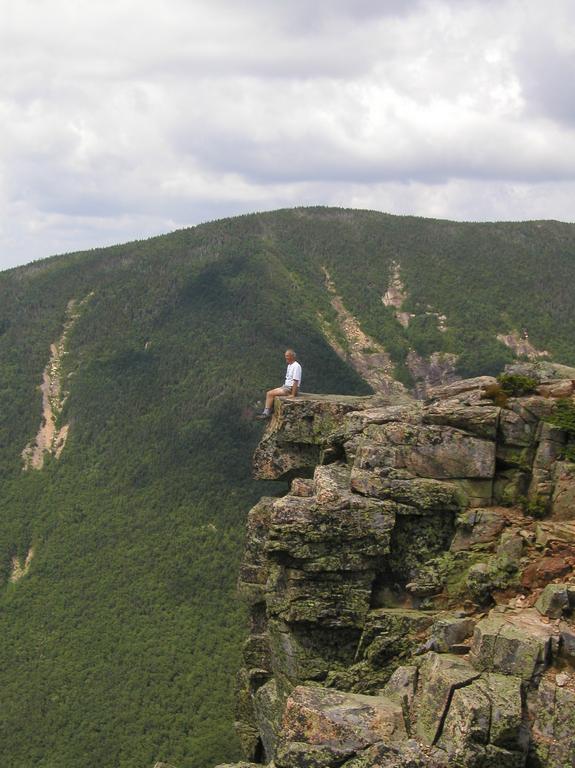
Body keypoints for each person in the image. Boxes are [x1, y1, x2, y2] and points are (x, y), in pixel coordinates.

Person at [257, 349, 302, 419]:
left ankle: (266, 413)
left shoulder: (296, 366)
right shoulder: (290, 365)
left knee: (270, 394)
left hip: (289, 388)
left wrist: (293, 394)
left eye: (287, 356)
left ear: (292, 356)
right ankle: (268, 411)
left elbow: (295, 381)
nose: (286, 357)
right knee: (269, 393)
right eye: (285, 356)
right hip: (286, 386)